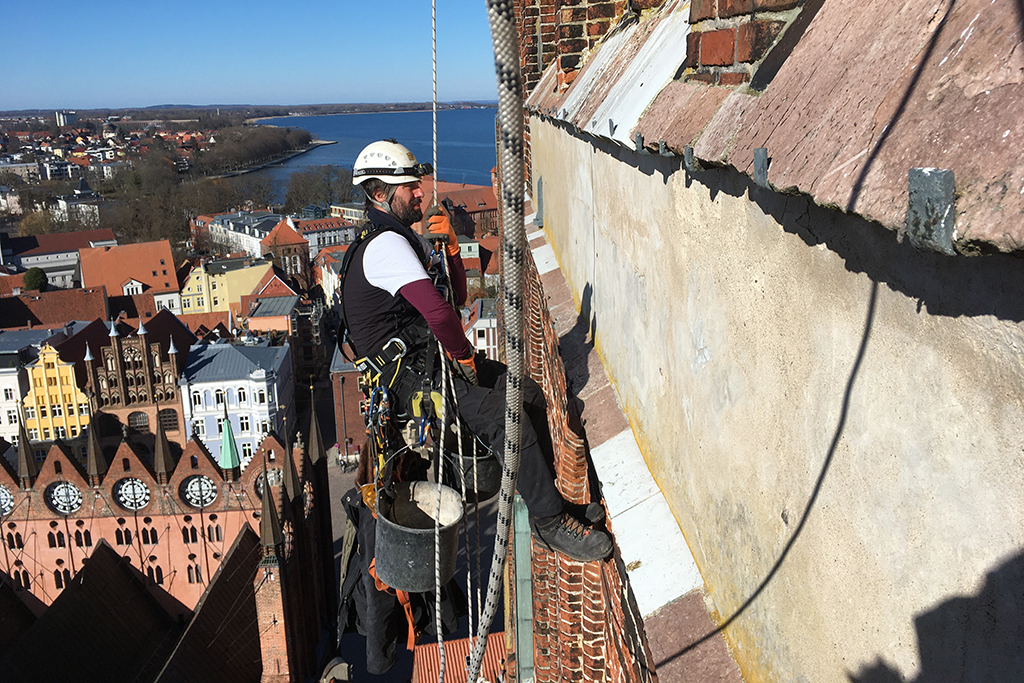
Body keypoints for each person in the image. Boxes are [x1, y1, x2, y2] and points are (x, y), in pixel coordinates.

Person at [341, 139, 612, 562]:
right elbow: (436, 312)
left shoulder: (400, 240)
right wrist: (465, 356)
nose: (421, 192)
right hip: (412, 383)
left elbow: (456, 299)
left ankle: (552, 505)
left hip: (430, 365)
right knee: (510, 421)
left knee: (528, 395)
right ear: (379, 194)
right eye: (410, 187)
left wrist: (451, 248)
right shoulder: (383, 246)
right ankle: (549, 523)